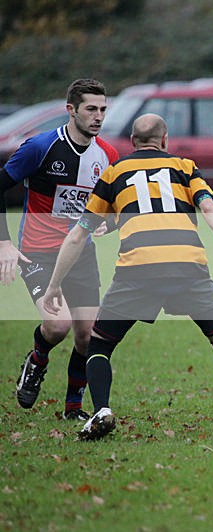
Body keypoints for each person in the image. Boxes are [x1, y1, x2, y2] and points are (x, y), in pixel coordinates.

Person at [40, 113, 213, 439]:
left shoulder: (115, 172)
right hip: (189, 268)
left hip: (137, 271)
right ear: (165, 140)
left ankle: (101, 410)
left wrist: (54, 284)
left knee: (99, 345)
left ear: (132, 143)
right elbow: (211, 209)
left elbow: (78, 234)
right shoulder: (184, 166)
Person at [0, 78, 118, 420]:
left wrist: (110, 221)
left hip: (81, 252)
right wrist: (5, 243)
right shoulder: (40, 147)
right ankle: (37, 360)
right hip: (36, 251)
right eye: (91, 109)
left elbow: (112, 205)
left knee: (87, 335)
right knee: (57, 327)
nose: (98, 117)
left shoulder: (107, 155)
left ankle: (73, 409)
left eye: (103, 110)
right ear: (71, 110)